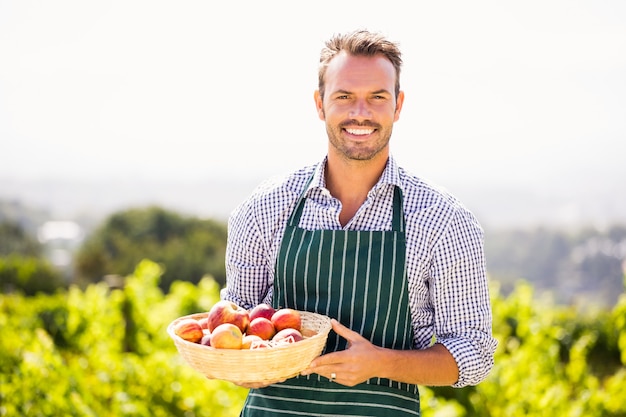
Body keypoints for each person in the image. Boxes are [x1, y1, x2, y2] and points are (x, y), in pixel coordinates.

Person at [222, 29, 497, 416]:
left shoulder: (445, 221)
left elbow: (474, 352)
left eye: (377, 97)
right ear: (320, 104)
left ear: (398, 106)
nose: (361, 112)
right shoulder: (264, 208)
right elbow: (236, 325)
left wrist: (382, 363)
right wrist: (243, 362)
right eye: (344, 96)